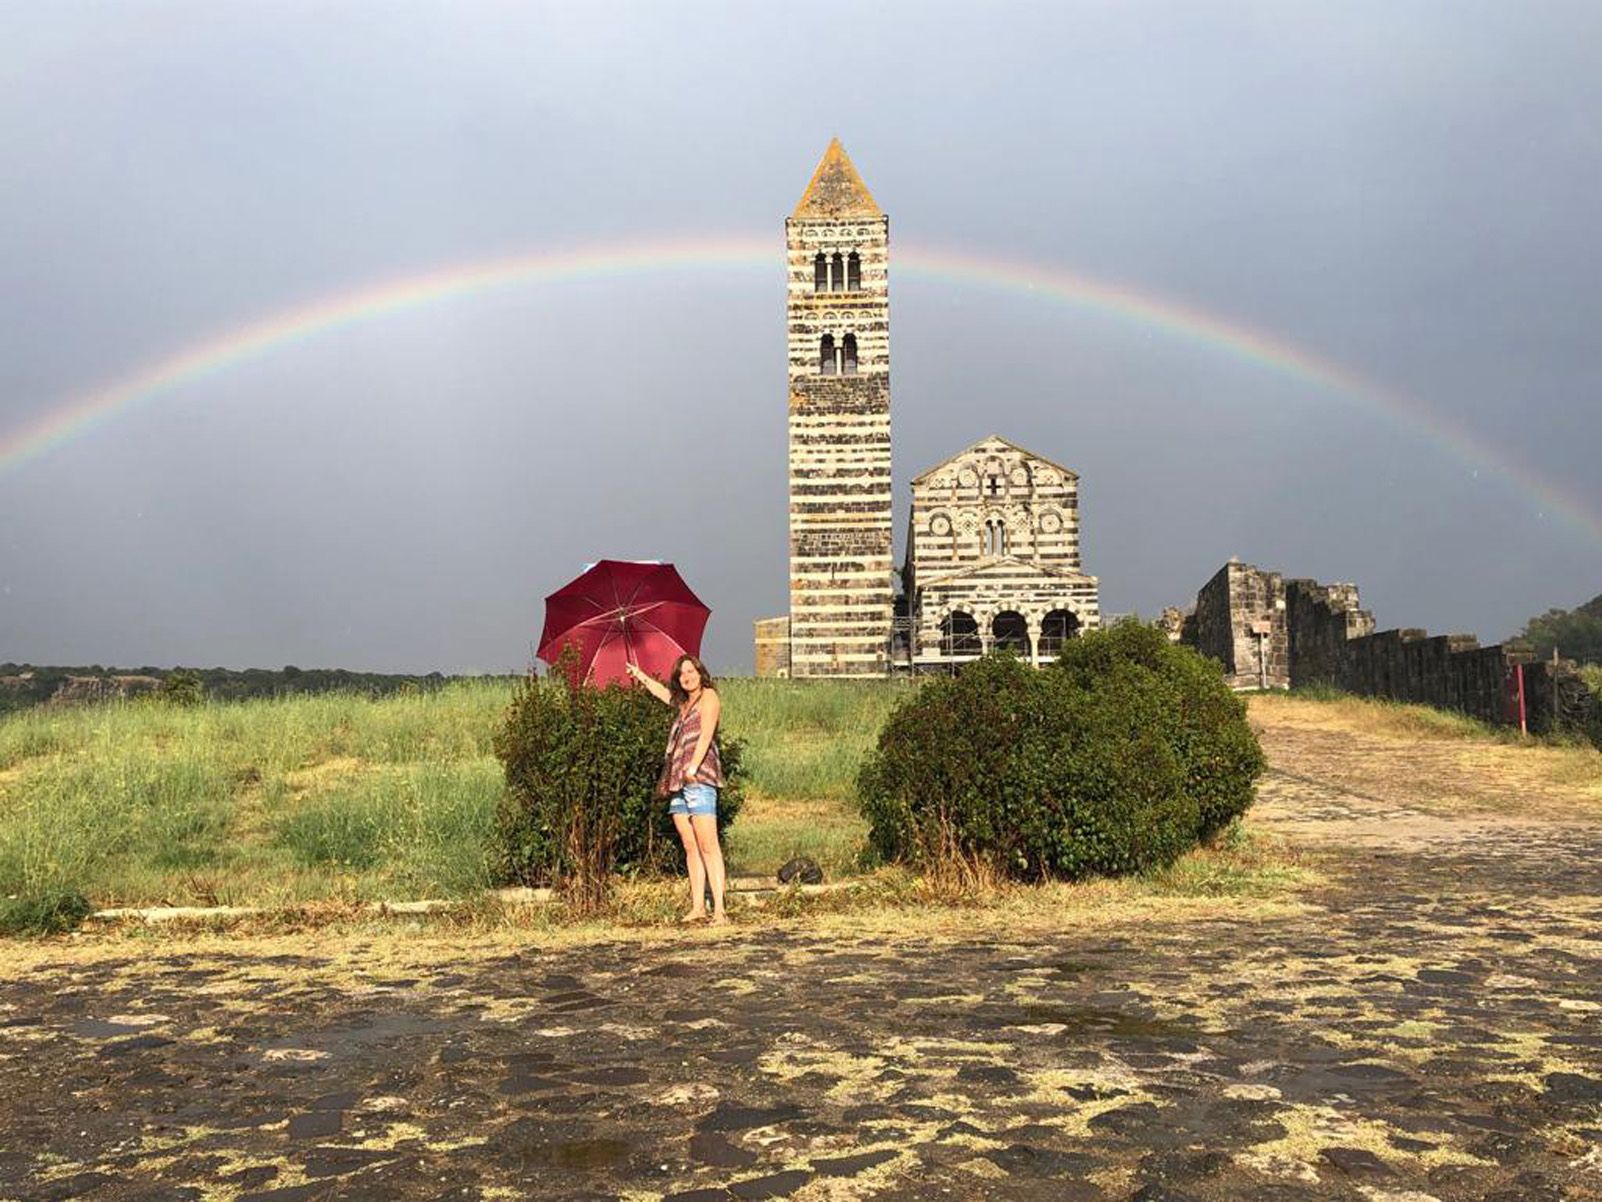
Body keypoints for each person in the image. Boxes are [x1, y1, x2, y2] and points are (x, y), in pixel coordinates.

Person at [625, 654, 728, 924]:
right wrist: (641, 675)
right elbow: (663, 693)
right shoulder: (683, 703)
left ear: (700, 672)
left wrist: (693, 768)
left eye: (691, 671)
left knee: (708, 844)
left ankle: (719, 910)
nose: (687, 676)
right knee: (690, 845)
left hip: (699, 778)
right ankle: (698, 907)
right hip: (678, 782)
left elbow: (706, 735)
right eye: (682, 673)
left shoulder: (709, 697)